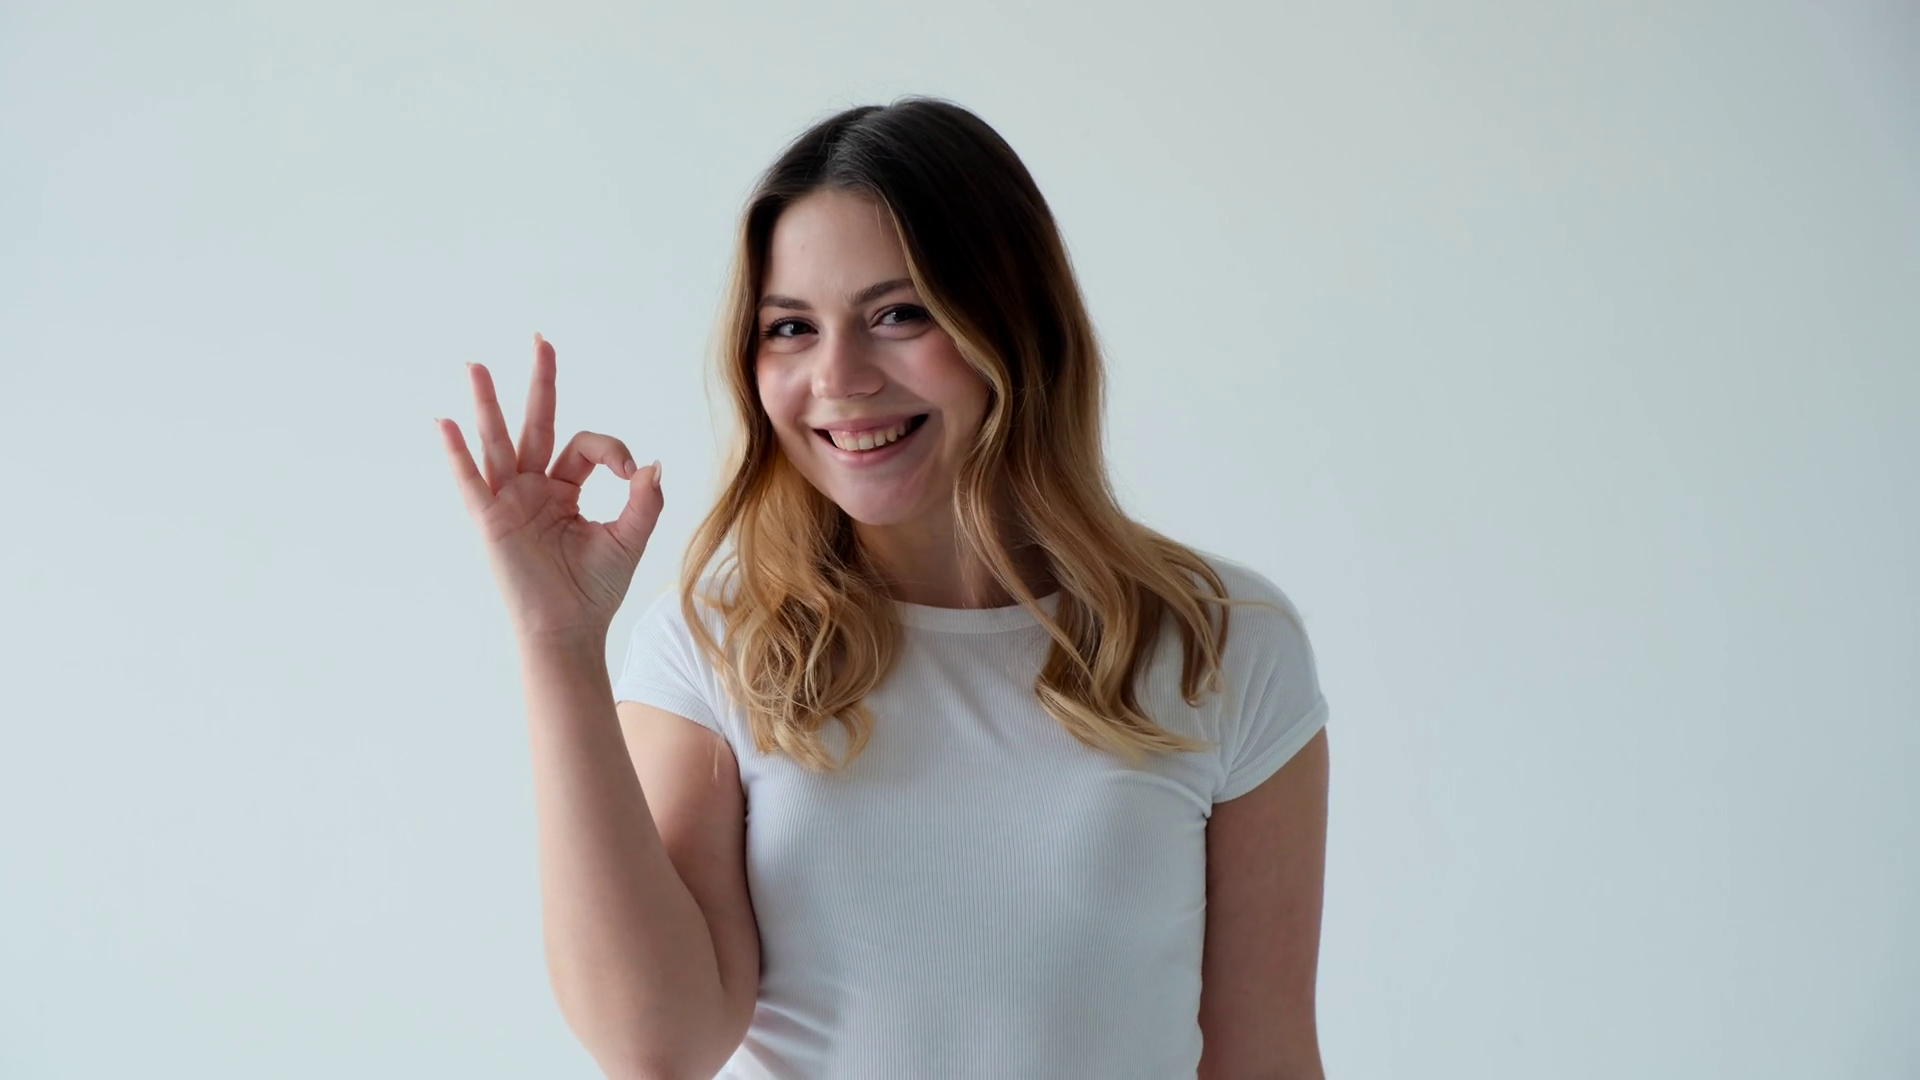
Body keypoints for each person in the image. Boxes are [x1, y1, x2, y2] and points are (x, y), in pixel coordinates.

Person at [436, 97, 1331, 1080]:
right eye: (790, 328)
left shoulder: (1220, 645)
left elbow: (1266, 1059)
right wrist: (558, 644)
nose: (839, 376)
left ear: (1014, 323)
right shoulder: (711, 648)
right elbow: (659, 1044)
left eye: (898, 314)